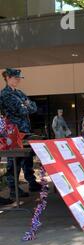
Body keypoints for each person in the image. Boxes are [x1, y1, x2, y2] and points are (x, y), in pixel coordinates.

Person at [0, 68, 42, 199]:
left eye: (19, 78)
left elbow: (33, 107)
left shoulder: (19, 93)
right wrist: (25, 105)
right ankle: (13, 188)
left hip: (24, 130)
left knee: (27, 157)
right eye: (15, 78)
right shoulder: (5, 95)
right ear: (7, 78)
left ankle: (32, 182)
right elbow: (21, 110)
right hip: (14, 132)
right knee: (15, 159)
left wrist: (26, 105)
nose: (18, 80)